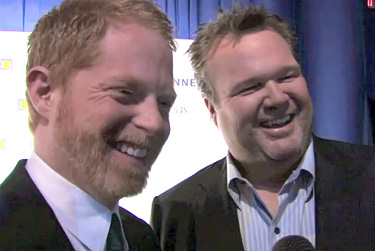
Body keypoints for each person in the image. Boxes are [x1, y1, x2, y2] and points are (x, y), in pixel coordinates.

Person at [151, 4, 375, 251]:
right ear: (213, 110)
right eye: (251, 87)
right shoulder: (177, 213)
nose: (278, 98)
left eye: (287, 77)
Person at [0, 0, 176, 250]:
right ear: (44, 93)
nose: (155, 123)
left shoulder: (142, 238)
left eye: (164, 103)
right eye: (124, 92)